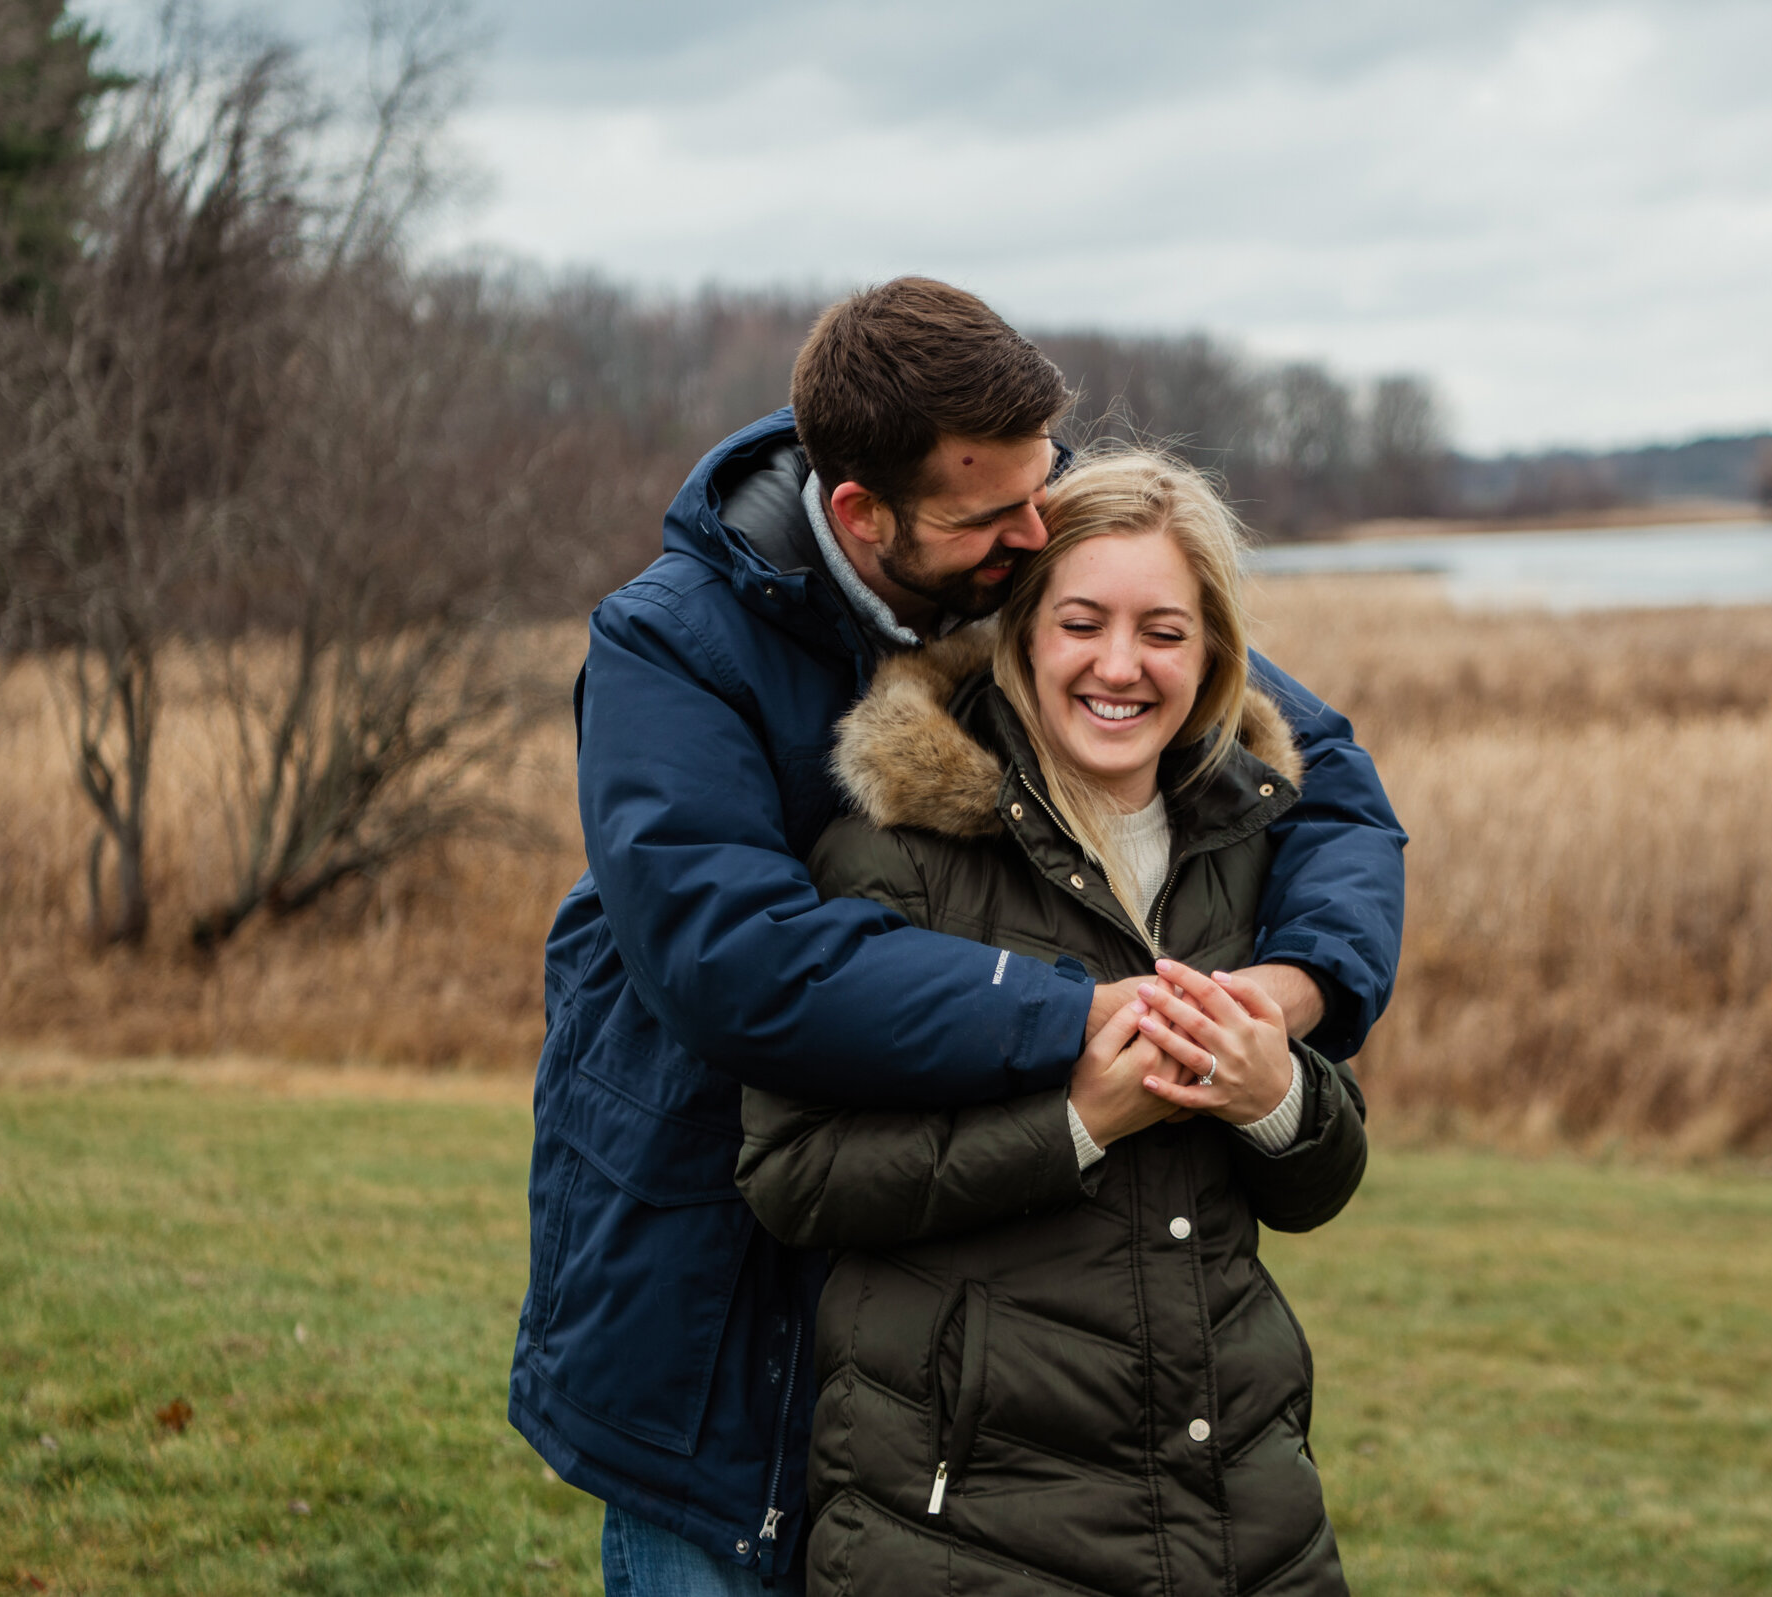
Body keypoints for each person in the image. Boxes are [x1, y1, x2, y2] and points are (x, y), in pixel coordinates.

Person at [509, 278, 1406, 1595]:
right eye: (997, 515)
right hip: (708, 1270)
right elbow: (734, 962)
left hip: (961, 1321)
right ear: (867, 515)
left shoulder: (1021, 544)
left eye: (1047, 488)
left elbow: (1315, 769)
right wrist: (1087, 1015)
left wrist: (1290, 988)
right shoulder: (673, 648)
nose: (1037, 531)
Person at [735, 449, 1367, 1595]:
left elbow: (1317, 1181)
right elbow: (796, 1175)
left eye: (1164, 632)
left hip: (1244, 1517)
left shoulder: (1249, 842)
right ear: (1021, 629)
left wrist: (1278, 1099)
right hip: (965, 1529)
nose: (1120, 666)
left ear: (1216, 651)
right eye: (1083, 621)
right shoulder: (893, 859)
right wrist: (1074, 1124)